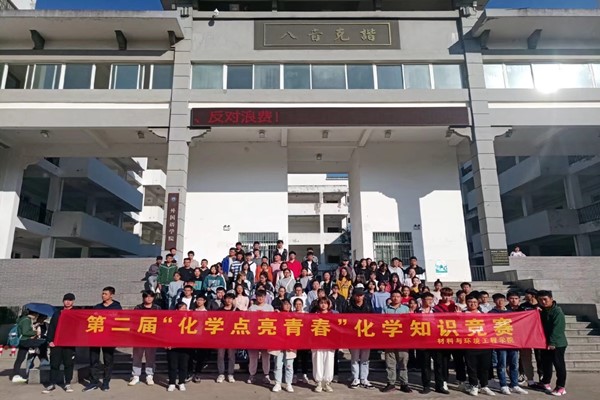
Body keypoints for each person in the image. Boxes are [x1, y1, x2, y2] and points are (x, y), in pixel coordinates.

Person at [83, 287, 122, 392]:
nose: (103, 295)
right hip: (96, 336)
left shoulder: (117, 307)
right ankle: (94, 382)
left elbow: (119, 321)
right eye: (102, 293)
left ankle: (105, 382)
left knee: (108, 360)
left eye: (105, 294)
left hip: (109, 337)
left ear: (111, 295)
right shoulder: (97, 307)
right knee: (93, 359)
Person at [489, 293, 528, 395]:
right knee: (502, 364)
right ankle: (503, 385)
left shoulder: (511, 313)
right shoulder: (491, 313)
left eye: (502, 300)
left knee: (514, 364)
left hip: (512, 342)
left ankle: (514, 384)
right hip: (500, 342)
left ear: (505, 300)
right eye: (498, 300)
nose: (500, 302)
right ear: (494, 301)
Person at [533, 290, 567, 396]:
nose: (543, 302)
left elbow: (558, 329)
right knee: (546, 363)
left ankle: (561, 387)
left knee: (559, 365)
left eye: (545, 299)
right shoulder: (542, 310)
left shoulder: (557, 311)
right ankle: (545, 382)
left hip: (557, 343)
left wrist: (552, 342)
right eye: (540, 300)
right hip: (545, 342)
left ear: (551, 299)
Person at [42, 293, 76, 393]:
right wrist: (50, 340)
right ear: (63, 301)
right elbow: (52, 327)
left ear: (73, 302)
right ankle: (52, 383)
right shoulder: (57, 313)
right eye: (66, 300)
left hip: (69, 343)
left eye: (70, 300)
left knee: (68, 364)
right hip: (57, 343)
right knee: (54, 363)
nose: (68, 302)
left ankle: (67, 383)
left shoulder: (76, 313)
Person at [416, 292, 448, 394]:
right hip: (423, 342)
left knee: (439, 364)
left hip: (435, 341)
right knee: (425, 365)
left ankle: (439, 386)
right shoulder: (417, 312)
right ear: (422, 300)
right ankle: (426, 386)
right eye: (427, 299)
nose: (430, 301)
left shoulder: (436, 311)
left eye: (431, 299)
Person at [380, 290, 412, 393]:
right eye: (393, 296)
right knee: (390, 362)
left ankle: (404, 383)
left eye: (398, 296)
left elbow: (409, 323)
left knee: (403, 362)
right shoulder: (385, 309)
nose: (395, 298)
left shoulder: (405, 309)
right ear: (390, 297)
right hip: (389, 339)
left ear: (401, 298)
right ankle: (391, 383)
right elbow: (382, 322)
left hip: (402, 339)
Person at [463, 294, 494, 396]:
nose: (473, 304)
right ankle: (474, 385)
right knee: (471, 367)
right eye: (470, 302)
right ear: (466, 303)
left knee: (485, 366)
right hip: (469, 345)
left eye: (475, 302)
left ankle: (484, 386)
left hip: (484, 344)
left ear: (478, 303)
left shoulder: (484, 314)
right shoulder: (462, 315)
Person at [128, 291, 161, 387]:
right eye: (147, 297)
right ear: (143, 298)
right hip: (139, 335)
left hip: (152, 336)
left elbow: (160, 321)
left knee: (150, 356)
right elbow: (134, 320)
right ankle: (136, 376)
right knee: (137, 356)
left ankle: (149, 375)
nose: (149, 298)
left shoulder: (157, 308)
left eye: (151, 297)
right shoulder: (138, 307)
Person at [345, 286, 374, 389]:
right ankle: (355, 378)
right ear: (354, 296)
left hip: (366, 336)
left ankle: (364, 378)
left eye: (361, 295)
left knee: (365, 359)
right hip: (354, 336)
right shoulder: (349, 308)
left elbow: (373, 320)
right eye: (357, 295)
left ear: (363, 296)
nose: (359, 297)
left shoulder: (368, 307)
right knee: (355, 358)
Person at [247, 290, 274, 385]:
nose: (260, 298)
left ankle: (266, 375)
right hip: (254, 335)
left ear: (265, 297)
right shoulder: (252, 308)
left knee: (266, 356)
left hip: (265, 334)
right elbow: (248, 321)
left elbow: (273, 320)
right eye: (258, 296)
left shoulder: (269, 308)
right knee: (253, 356)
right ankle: (252, 375)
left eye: (262, 296)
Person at [11, 309, 45, 383]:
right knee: (42, 343)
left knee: (20, 358)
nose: (37, 317)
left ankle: (15, 375)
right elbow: (25, 332)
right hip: (25, 340)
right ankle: (44, 360)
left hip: (22, 340)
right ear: (34, 314)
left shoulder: (22, 319)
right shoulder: (27, 320)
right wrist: (35, 332)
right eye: (37, 315)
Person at [270, 299, 296, 393]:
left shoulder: (294, 316)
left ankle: (289, 383)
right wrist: (275, 314)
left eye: (289, 304)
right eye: (285, 304)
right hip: (279, 343)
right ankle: (278, 383)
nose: (287, 306)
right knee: (278, 364)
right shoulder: (277, 315)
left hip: (290, 344)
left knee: (289, 365)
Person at [311, 298, 335, 393]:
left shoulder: (333, 316)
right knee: (317, 362)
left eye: (325, 303)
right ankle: (319, 383)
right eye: (321, 303)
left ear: (328, 305)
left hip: (329, 343)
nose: (323, 305)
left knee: (329, 362)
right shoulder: (314, 315)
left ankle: (327, 383)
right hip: (317, 343)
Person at [166, 302, 191, 392]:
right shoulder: (171, 319)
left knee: (183, 365)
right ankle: (172, 383)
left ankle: (181, 382)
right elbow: (166, 332)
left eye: (185, 308)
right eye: (182, 308)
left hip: (185, 345)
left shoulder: (190, 319)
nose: (184, 310)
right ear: (177, 310)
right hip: (173, 346)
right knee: (172, 365)